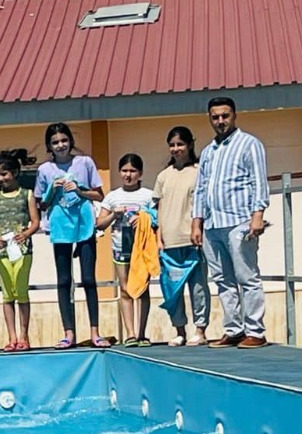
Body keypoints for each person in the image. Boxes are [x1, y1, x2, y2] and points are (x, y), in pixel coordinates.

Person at [192, 98, 270, 347]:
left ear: (234, 116)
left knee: (247, 276)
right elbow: (201, 189)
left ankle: (255, 331)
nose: (220, 121)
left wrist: (258, 214)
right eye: (215, 117)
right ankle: (234, 329)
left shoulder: (249, 144)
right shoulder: (207, 152)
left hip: (239, 221)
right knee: (222, 279)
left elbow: (259, 180)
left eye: (225, 116)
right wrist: (197, 222)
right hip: (213, 224)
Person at [34, 121, 108, 349]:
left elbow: (99, 195)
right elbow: (42, 205)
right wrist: (52, 189)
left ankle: (95, 332)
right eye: (55, 142)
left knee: (88, 279)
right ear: (49, 145)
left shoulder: (84, 163)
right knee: (64, 280)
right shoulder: (44, 170)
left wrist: (79, 190)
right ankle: (69, 333)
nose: (60, 145)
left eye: (64, 140)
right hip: (60, 228)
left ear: (71, 142)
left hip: (85, 225)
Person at [153, 126, 210, 346]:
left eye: (180, 144)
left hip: (193, 240)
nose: (176, 149)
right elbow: (157, 210)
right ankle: (179, 330)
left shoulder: (198, 172)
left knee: (198, 288)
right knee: (172, 291)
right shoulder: (163, 176)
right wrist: (159, 239)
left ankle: (200, 330)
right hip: (169, 243)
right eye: (172, 145)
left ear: (190, 145)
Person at [98, 154, 156, 346]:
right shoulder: (112, 196)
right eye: (124, 170)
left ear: (140, 173)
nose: (128, 175)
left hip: (142, 249)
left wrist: (144, 218)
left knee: (142, 290)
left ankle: (141, 333)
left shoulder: (149, 195)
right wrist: (115, 214)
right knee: (125, 290)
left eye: (132, 171)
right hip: (120, 248)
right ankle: (130, 333)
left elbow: (158, 219)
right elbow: (99, 224)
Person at [0, 150, 40, 351]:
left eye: (4, 174)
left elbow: (36, 221)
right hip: (2, 251)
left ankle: (24, 336)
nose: (1, 179)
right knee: (7, 294)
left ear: (15, 172)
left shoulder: (27, 194)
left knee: (22, 292)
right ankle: (12, 337)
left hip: (23, 251)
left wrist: (25, 234)